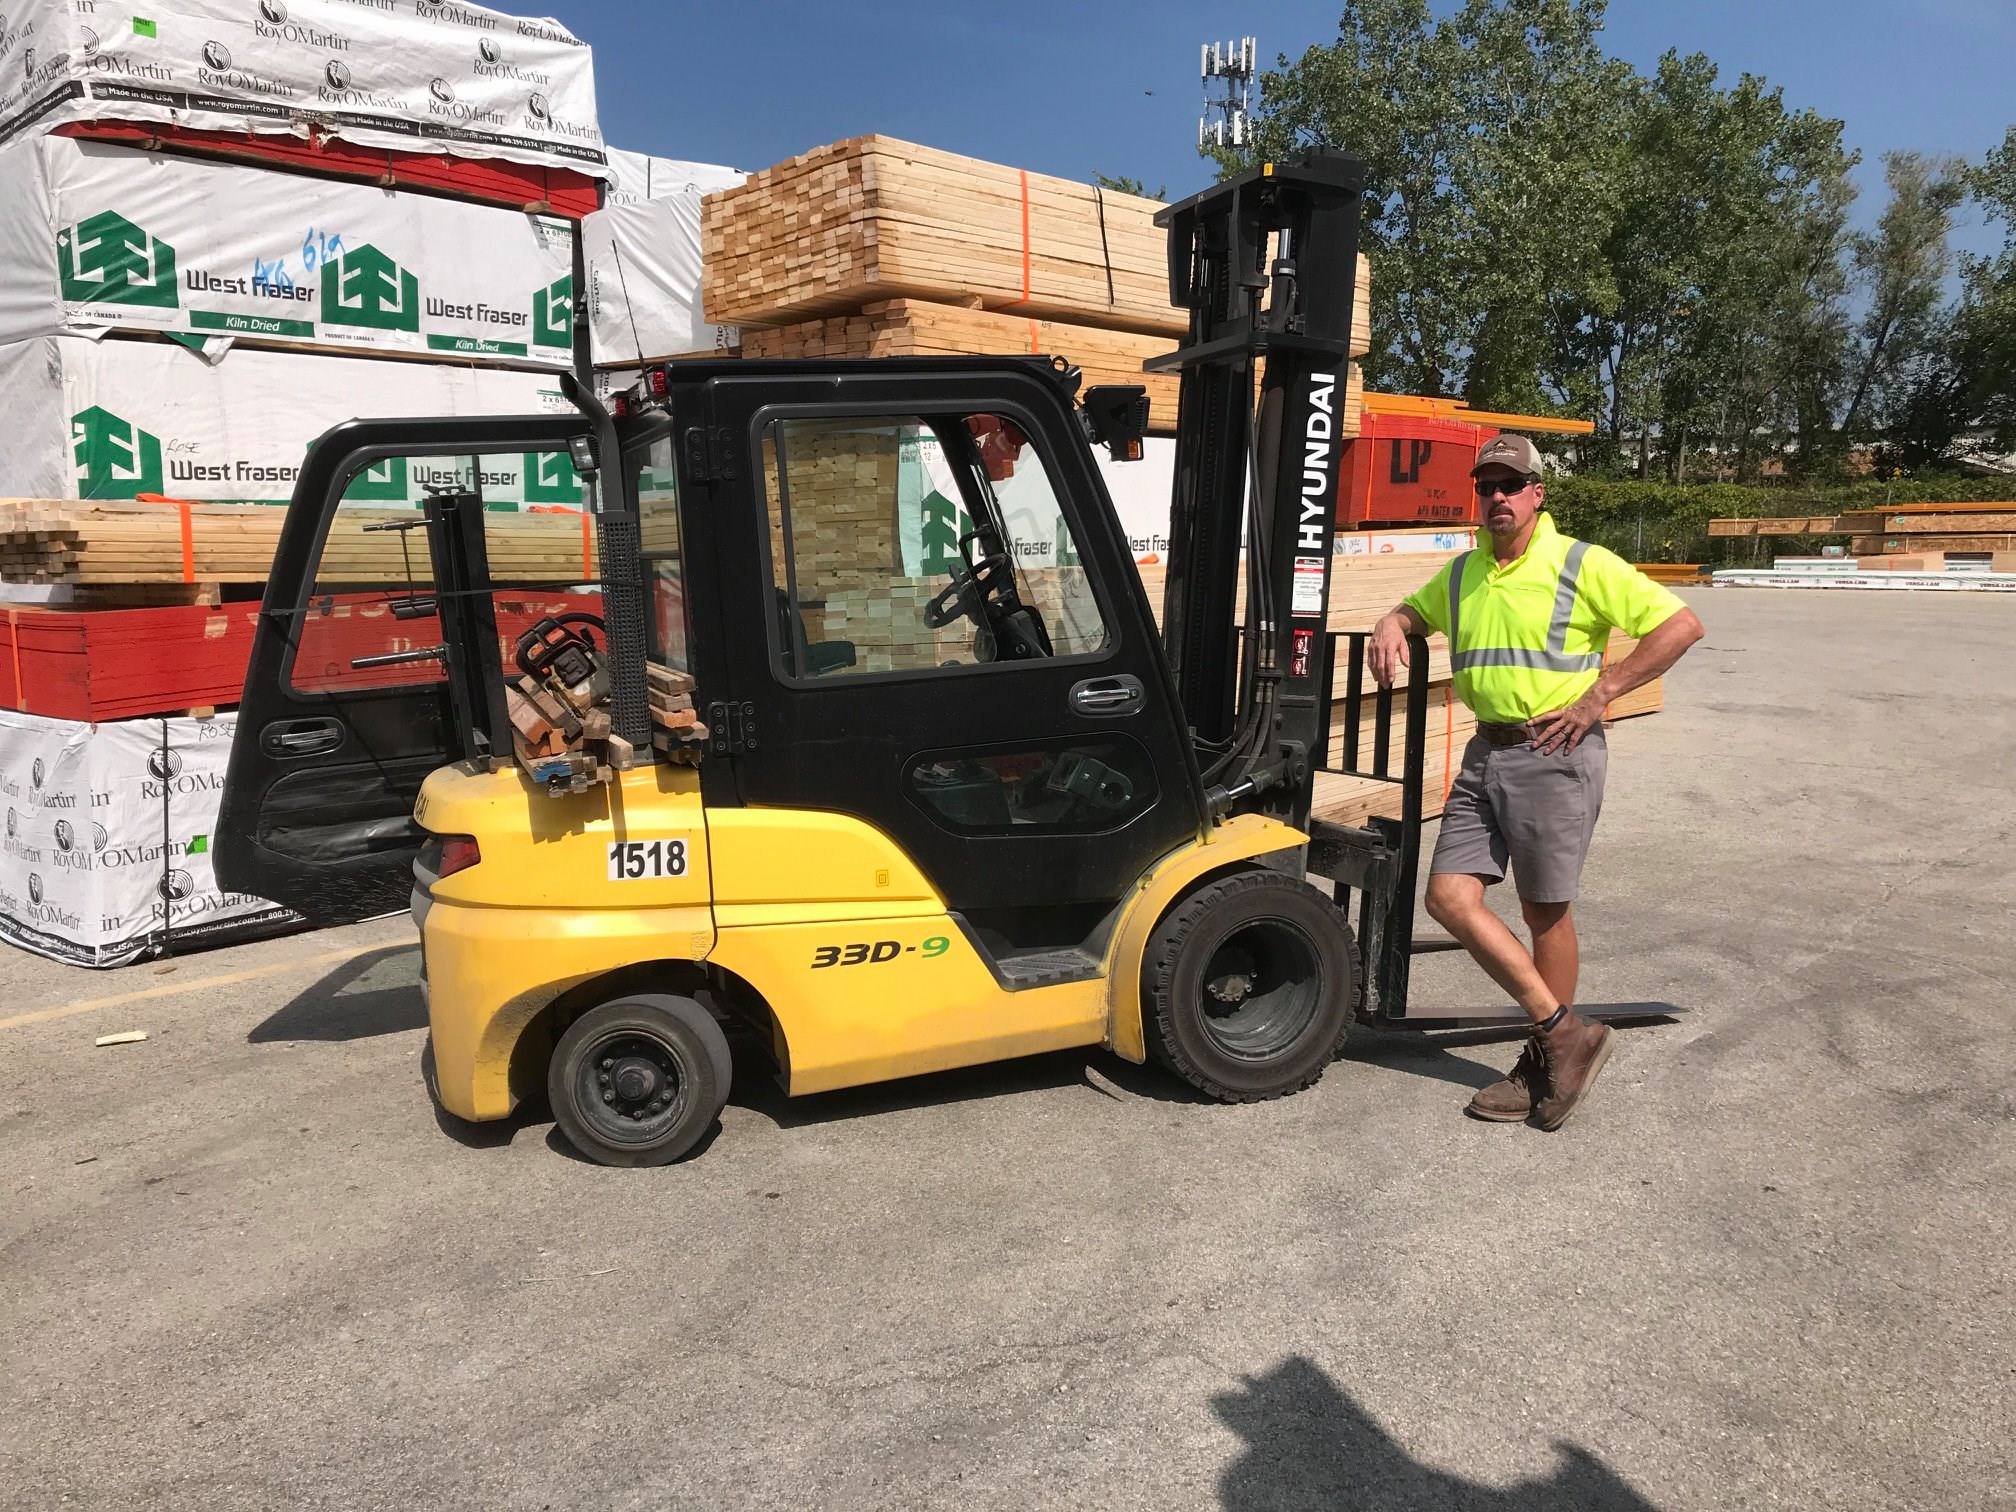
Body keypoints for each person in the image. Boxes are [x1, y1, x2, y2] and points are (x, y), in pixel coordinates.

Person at [1367, 435, 1704, 1130]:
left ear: (1537, 493)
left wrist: (1601, 693)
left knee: (1543, 912)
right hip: (1484, 753)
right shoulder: (1463, 574)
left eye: (1511, 485)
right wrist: (1390, 621)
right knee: (1448, 897)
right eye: (1486, 486)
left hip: (1554, 752)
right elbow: (1413, 612)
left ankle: (1543, 1062)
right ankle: (1564, 1033)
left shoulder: (1580, 563)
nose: (1497, 497)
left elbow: (1681, 625)